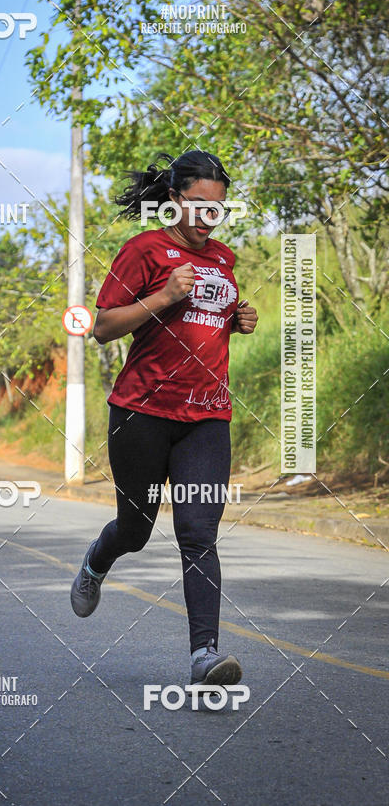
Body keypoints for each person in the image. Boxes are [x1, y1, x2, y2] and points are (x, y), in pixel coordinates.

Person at [70, 151, 258, 687]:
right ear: (175, 202)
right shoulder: (144, 251)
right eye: (199, 205)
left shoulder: (224, 259)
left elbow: (209, 321)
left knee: (198, 531)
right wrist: (165, 296)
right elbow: (104, 327)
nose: (208, 216)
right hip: (141, 413)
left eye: (218, 207)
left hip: (206, 417)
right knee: (137, 528)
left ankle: (205, 655)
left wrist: (237, 318)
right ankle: (97, 561)